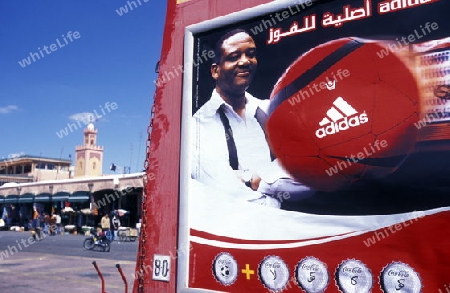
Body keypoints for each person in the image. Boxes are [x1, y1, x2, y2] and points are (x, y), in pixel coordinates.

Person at [191, 29, 314, 208]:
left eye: (251, 54)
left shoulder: (271, 110)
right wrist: (276, 188)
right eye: (234, 56)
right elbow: (225, 192)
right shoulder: (198, 125)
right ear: (215, 71)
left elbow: (313, 173)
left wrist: (253, 180)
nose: (245, 62)